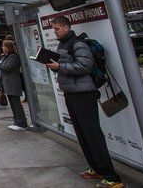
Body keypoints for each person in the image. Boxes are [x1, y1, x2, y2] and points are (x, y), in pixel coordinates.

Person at [46, 16, 122, 188]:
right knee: (82, 133)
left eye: (56, 28)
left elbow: (84, 66)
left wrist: (60, 67)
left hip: (83, 93)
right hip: (71, 92)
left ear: (66, 28)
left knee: (92, 134)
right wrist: (54, 65)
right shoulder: (63, 45)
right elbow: (67, 66)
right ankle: (96, 168)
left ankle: (112, 177)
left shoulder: (78, 44)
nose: (54, 32)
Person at [0, 40, 28, 130]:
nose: (2, 47)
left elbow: (7, 67)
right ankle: (17, 122)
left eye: (4, 46)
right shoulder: (6, 56)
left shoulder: (13, 57)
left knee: (16, 103)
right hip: (8, 83)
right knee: (13, 104)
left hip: (13, 83)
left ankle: (21, 123)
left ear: (9, 47)